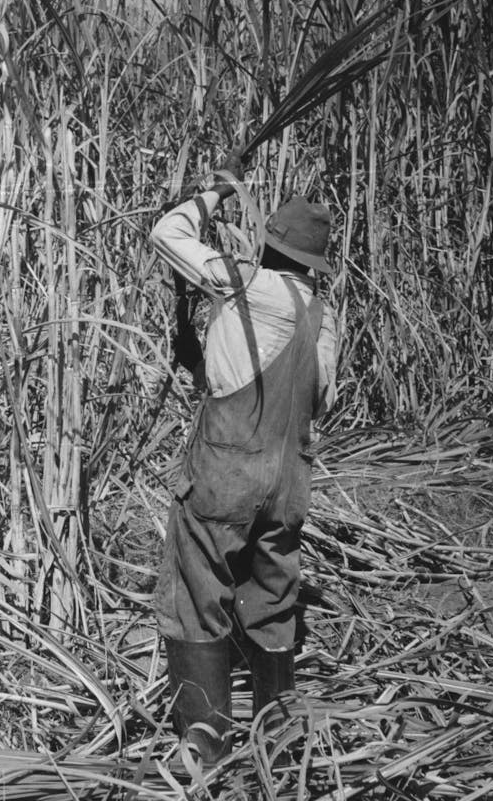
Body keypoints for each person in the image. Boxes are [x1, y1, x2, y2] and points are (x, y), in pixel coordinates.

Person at [150, 152, 337, 764]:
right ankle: (278, 732)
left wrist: (213, 192)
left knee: (197, 587)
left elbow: (166, 234)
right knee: (272, 595)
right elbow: (308, 397)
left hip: (226, 472)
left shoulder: (244, 283)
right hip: (289, 485)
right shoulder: (324, 319)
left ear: (273, 247)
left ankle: (205, 738)